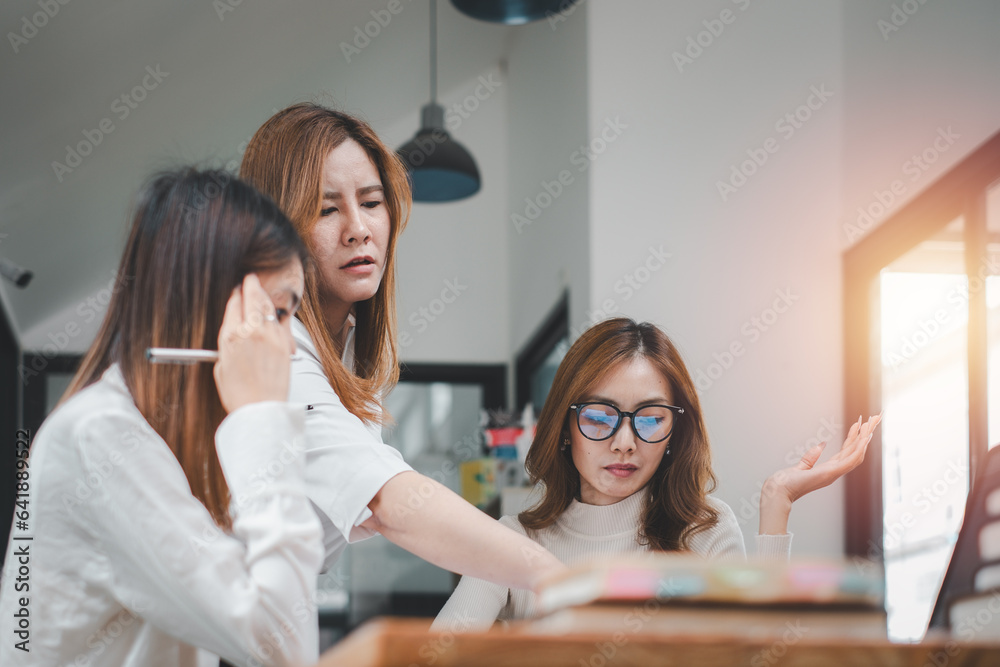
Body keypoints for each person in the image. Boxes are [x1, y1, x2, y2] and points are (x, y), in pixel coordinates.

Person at [0, 169, 324, 666]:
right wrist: (262, 417)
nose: (288, 347)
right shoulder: (99, 436)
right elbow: (285, 646)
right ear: (208, 309)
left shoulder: (163, 449)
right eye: (277, 313)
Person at [239, 103, 565, 591]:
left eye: (371, 202)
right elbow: (387, 502)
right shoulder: (270, 346)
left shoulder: (348, 353)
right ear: (274, 231)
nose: (358, 229)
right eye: (326, 209)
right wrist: (564, 579)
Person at [432, 317, 881, 630]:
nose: (625, 441)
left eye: (650, 419)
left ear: (673, 432)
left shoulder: (704, 531)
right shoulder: (513, 541)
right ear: (565, 428)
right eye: (599, 417)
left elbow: (755, 655)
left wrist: (776, 503)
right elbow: (435, 656)